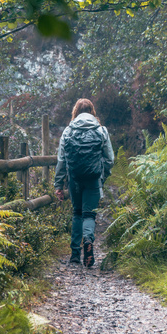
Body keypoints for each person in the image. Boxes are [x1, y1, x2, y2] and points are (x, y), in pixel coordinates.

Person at [54, 98, 114, 267]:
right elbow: (110, 159)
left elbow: (61, 161)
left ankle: (74, 255)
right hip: (93, 178)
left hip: (74, 179)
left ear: (76, 112)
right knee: (89, 215)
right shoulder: (101, 131)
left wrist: (59, 185)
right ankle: (88, 240)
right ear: (92, 112)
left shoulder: (67, 131)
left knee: (77, 213)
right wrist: (102, 176)